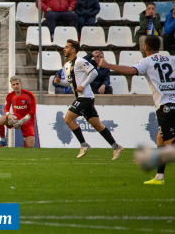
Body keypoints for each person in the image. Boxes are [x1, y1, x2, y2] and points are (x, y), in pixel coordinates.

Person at [99, 35, 175, 185]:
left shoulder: (147, 62)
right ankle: (159, 177)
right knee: (160, 138)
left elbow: (130, 70)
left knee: (170, 144)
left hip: (165, 106)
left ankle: (156, 166)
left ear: (145, 48)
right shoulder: (171, 59)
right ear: (159, 47)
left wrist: (108, 65)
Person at [54, 39, 123, 159]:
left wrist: (83, 85)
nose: (64, 49)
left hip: (85, 97)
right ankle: (116, 147)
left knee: (68, 119)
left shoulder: (80, 61)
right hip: (83, 97)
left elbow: (94, 73)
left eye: (66, 47)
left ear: (73, 50)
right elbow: (69, 83)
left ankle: (84, 145)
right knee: (97, 125)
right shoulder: (66, 65)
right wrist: (60, 82)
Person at [0, 76, 36, 148]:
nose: (16, 86)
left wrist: (22, 121)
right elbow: (6, 109)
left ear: (21, 84)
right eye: (14, 85)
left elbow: (32, 111)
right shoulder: (10, 96)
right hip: (15, 118)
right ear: (11, 86)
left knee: (30, 146)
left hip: (27, 121)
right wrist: (10, 116)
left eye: (17, 84)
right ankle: (3, 140)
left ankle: (25, 140)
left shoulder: (29, 95)